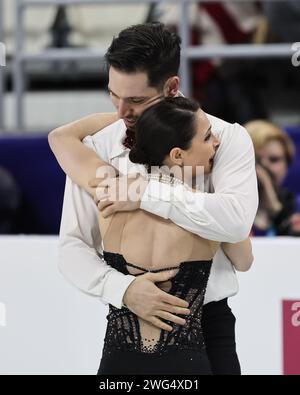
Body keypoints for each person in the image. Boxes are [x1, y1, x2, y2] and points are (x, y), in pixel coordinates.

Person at [49, 22, 258, 375]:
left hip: (209, 325)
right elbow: (73, 246)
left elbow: (237, 225)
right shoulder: (99, 145)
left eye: (136, 100)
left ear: (172, 86)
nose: (120, 113)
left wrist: (145, 193)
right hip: (127, 323)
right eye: (113, 96)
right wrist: (124, 289)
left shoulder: (223, 139)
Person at [100, 97, 253, 374]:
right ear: (177, 155)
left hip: (119, 354)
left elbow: (61, 138)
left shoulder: (111, 202)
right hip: (190, 351)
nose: (217, 142)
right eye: (207, 137)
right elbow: (243, 260)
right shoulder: (208, 213)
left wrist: (125, 116)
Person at [244, 119, 300, 236]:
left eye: (274, 160)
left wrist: (273, 205)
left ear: (287, 165)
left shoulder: (290, 204)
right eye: (256, 159)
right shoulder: (223, 202)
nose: (265, 167)